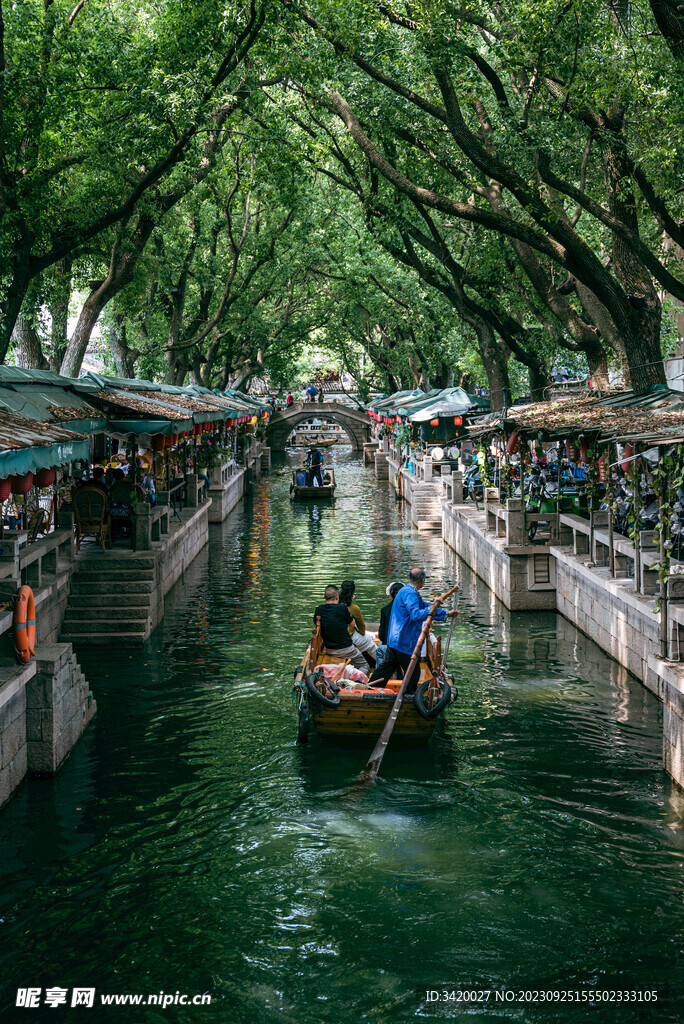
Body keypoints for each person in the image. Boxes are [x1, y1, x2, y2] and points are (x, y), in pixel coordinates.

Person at [368, 568, 451, 693]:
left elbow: (424, 606)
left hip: (396, 640)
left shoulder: (407, 590)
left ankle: (370, 688)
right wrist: (434, 606)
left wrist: (446, 614)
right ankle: (410, 698)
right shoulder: (410, 593)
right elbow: (416, 614)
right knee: (412, 674)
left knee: (386, 669)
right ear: (423, 581)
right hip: (403, 641)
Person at [313, 585, 368, 671]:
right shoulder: (342, 608)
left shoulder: (319, 609)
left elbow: (316, 624)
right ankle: (355, 683)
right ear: (337, 597)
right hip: (346, 648)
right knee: (364, 665)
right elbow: (352, 625)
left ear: (324, 597)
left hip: (329, 649)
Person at [339, 580, 377, 668]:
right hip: (348, 637)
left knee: (365, 636)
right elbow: (361, 625)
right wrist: (362, 634)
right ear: (354, 591)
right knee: (370, 643)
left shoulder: (336, 604)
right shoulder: (354, 608)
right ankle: (383, 664)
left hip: (339, 635)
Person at [376, 581, 403, 669]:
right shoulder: (408, 611)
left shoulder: (385, 610)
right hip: (403, 648)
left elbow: (382, 635)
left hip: (389, 647)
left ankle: (379, 673)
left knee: (380, 650)